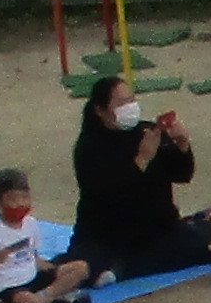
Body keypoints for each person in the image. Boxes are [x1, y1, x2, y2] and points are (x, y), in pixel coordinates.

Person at [67, 68, 203, 281]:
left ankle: (122, 270)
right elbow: (109, 196)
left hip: (158, 232)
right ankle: (117, 268)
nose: (129, 107)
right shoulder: (89, 148)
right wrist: (142, 160)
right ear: (100, 110)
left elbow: (182, 174)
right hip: (109, 236)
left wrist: (182, 145)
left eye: (131, 100)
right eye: (121, 103)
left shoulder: (146, 131)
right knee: (82, 265)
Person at [0, 168, 97, 303]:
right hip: (9, 286)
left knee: (81, 268)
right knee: (28, 302)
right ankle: (48, 301)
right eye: (12, 199)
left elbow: (33, 256)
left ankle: (45, 298)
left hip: (31, 276)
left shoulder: (30, 224)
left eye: (24, 198)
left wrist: (53, 269)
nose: (20, 204)